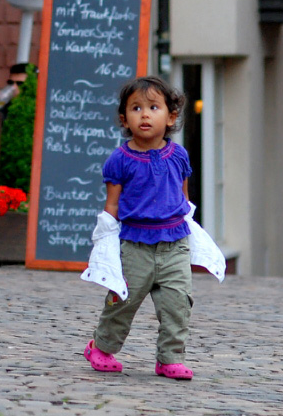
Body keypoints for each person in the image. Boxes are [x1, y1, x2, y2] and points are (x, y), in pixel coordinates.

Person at [83, 77, 200, 381]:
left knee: (178, 303)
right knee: (122, 302)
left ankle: (170, 358)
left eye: (153, 107)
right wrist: (104, 241)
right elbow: (112, 206)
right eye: (136, 108)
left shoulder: (179, 156)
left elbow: (183, 199)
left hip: (175, 244)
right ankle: (102, 347)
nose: (145, 114)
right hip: (135, 245)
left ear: (171, 117)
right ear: (124, 119)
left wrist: (192, 232)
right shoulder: (119, 161)